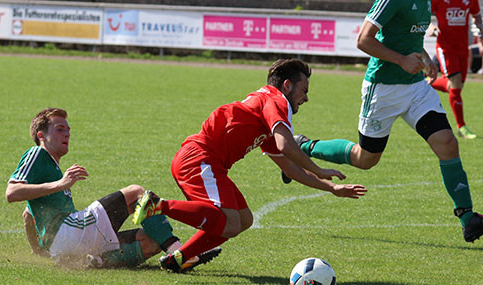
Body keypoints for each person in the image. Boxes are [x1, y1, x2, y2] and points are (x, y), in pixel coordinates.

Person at [280, 0, 483, 243]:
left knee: (447, 142)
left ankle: (468, 218)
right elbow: (363, 40)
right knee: (366, 160)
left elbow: (409, 36)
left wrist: (423, 55)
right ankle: (302, 146)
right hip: (383, 89)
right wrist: (400, 60)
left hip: (415, 88)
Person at [132, 59, 367, 273]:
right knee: (231, 223)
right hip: (199, 159)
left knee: (244, 220)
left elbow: (289, 169)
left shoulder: (265, 111)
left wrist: (331, 188)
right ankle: (157, 205)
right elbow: (286, 145)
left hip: (207, 163)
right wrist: (319, 169)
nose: (305, 98)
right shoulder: (277, 100)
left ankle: (180, 258)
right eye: (304, 91)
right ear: (287, 85)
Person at [6, 108, 220, 271]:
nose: (67, 134)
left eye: (68, 130)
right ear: (41, 135)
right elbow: (12, 193)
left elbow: (28, 215)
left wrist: (37, 250)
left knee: (152, 241)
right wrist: (60, 184)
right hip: (70, 232)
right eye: (60, 129)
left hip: (66, 248)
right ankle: (181, 254)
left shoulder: (51, 166)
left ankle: (95, 262)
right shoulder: (37, 153)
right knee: (137, 193)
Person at [429, 0, 483, 139]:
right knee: (455, 84)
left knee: (456, 87)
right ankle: (462, 127)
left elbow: (477, 16)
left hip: (462, 49)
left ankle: (426, 82)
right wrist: (431, 27)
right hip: (445, 48)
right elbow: (424, 16)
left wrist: (480, 27)